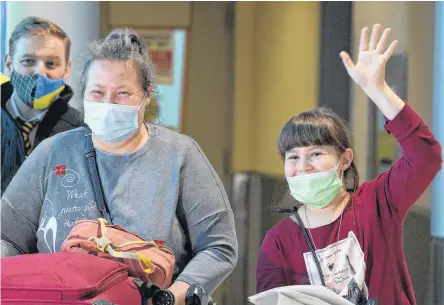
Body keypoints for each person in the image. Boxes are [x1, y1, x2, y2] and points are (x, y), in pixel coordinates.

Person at [1, 28, 238, 305]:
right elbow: (7, 236)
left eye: (123, 93)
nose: (108, 103)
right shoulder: (53, 153)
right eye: (98, 92)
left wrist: (168, 298)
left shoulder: (179, 155)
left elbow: (218, 246)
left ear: (147, 94)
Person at [256, 24, 442, 305]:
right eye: (293, 157)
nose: (303, 167)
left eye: (316, 154)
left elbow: (426, 156)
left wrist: (379, 91)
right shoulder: (278, 242)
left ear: (345, 159)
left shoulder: (377, 204)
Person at [1, 16, 83, 195]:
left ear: (66, 70)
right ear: (8, 65)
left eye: (51, 64)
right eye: (28, 61)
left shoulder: (81, 132)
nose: (40, 72)